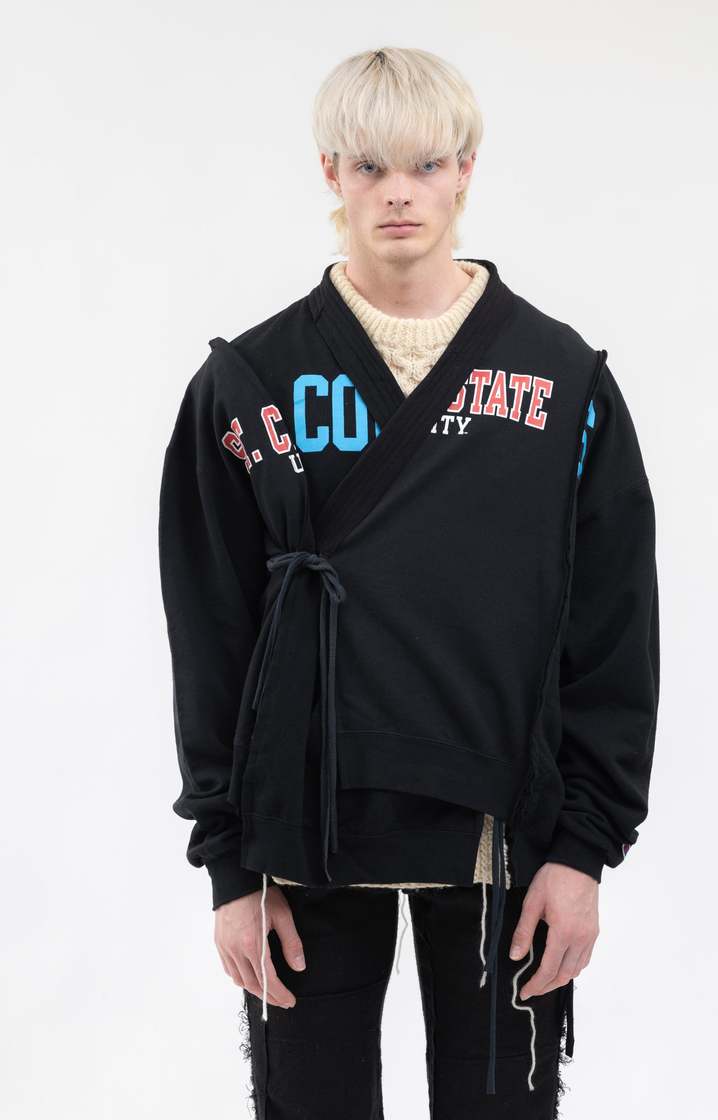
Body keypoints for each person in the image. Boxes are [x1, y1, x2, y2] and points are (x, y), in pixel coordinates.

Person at [158, 46, 660, 1120]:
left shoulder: (560, 381)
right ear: (330, 172)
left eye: (426, 164)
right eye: (371, 166)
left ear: (466, 170)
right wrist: (230, 867)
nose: (398, 192)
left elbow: (613, 630)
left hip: (502, 840)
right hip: (302, 837)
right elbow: (210, 632)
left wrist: (583, 851)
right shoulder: (248, 385)